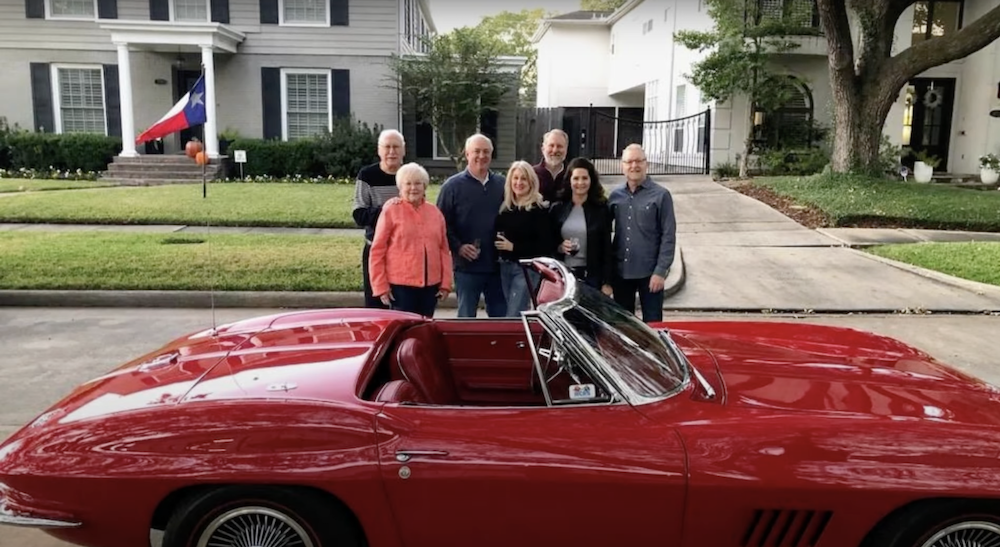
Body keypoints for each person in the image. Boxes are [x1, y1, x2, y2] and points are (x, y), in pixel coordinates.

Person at [436, 134, 507, 318]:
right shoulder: (451, 187)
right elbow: (441, 224)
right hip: (467, 267)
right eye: (476, 151)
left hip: (497, 266)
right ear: (467, 154)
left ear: (492, 154)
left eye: (486, 152)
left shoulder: (503, 185)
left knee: (500, 319)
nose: (481, 156)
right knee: (466, 319)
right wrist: (458, 247)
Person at [368, 162, 452, 317]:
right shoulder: (391, 211)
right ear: (400, 187)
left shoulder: (435, 213)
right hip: (401, 288)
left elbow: (443, 250)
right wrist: (381, 286)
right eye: (408, 183)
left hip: (430, 287)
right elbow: (377, 250)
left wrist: (445, 283)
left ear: (424, 186)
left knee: (426, 330)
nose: (413, 188)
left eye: (418, 183)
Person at [607, 144, 677, 323]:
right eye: (629, 161)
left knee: (653, 327)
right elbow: (602, 233)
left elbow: (668, 236)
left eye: (638, 161)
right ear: (622, 166)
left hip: (650, 274)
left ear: (646, 164)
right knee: (623, 326)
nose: (634, 166)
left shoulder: (661, 196)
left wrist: (661, 271)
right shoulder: (615, 197)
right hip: (621, 273)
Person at [493, 161, 556, 316]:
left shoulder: (538, 209)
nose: (518, 183)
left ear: (531, 182)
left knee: (513, 315)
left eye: (523, 179)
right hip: (504, 267)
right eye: (515, 178)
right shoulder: (506, 207)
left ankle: (513, 341)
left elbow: (545, 247)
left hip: (526, 270)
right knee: (512, 312)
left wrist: (514, 247)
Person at [352, 129, 405, 308]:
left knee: (403, 302)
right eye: (387, 147)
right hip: (376, 250)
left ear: (403, 151)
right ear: (379, 150)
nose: (392, 152)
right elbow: (359, 214)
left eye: (396, 147)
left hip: (405, 251)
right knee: (376, 303)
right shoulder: (367, 175)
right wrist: (388, 211)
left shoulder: (410, 174)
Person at [550, 157, 614, 297]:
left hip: (592, 277)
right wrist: (560, 247)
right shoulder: (557, 208)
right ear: (569, 180)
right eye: (576, 178)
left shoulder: (601, 210)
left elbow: (607, 248)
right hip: (564, 276)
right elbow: (548, 242)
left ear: (591, 180)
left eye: (585, 178)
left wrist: (607, 282)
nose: (580, 183)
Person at [533, 129, 569, 203]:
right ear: (543, 149)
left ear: (566, 149)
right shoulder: (532, 174)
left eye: (559, 146)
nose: (555, 150)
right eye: (551, 145)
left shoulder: (573, 175)